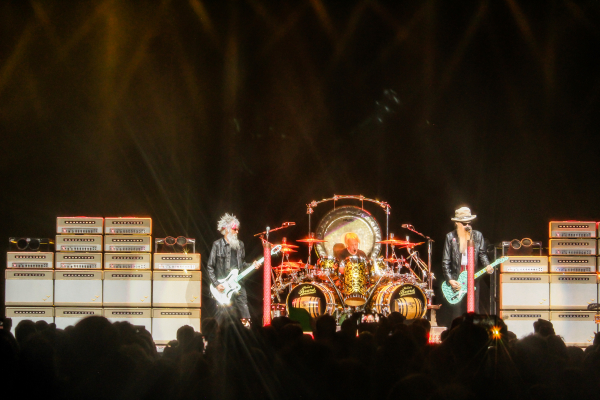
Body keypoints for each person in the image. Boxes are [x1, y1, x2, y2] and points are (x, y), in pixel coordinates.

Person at [441, 207, 493, 319]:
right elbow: (446, 261)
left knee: (474, 308)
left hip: (472, 277)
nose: (467, 226)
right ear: (457, 224)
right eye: (464, 224)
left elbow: (482, 254)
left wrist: (487, 265)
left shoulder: (478, 235)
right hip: (457, 276)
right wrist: (450, 279)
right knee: (458, 312)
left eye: (469, 223)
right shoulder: (450, 237)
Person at [207, 213, 258, 324]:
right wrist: (216, 284)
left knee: (245, 312)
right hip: (223, 285)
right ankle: (217, 335)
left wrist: (252, 265)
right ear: (227, 229)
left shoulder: (240, 245)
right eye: (235, 229)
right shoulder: (217, 245)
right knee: (221, 314)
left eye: (238, 229)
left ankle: (247, 332)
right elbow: (210, 267)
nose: (237, 232)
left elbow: (242, 264)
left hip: (238, 283)